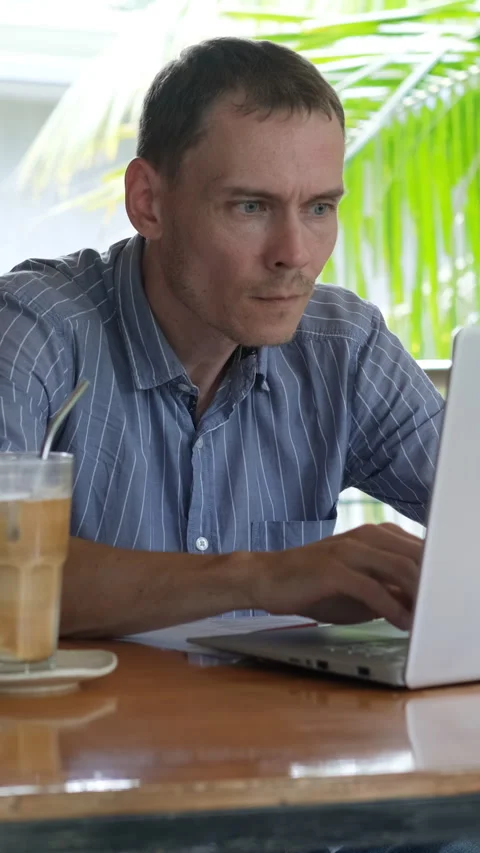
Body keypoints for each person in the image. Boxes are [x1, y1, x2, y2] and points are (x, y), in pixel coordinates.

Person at [0, 36, 444, 640]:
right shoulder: (32, 332)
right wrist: (260, 576)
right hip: (70, 734)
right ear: (148, 203)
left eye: (318, 208)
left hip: (281, 731)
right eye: (252, 207)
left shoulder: (346, 347)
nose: (294, 255)